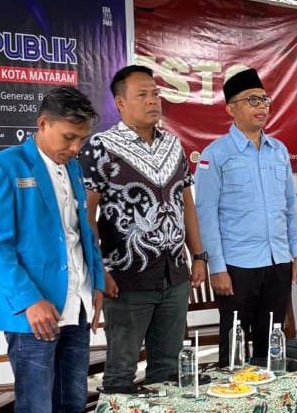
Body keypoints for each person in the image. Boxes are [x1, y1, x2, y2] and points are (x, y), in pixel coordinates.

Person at [0, 86, 105, 413]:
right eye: (69, 137)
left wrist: (97, 283)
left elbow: (82, 232)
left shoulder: (73, 169)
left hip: (76, 304)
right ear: (43, 124)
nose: (75, 147)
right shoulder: (4, 166)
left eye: (82, 139)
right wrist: (29, 300)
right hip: (34, 313)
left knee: (70, 404)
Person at [79, 65, 206, 392]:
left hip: (174, 275)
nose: (152, 101)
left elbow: (187, 204)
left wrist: (199, 256)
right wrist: (100, 270)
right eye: (142, 95)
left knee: (169, 370)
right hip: (125, 278)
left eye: (155, 94)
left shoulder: (173, 144)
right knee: (121, 373)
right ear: (120, 103)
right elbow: (86, 214)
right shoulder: (101, 147)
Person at [195, 67, 297, 368]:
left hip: (278, 261)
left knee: (271, 348)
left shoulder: (278, 151)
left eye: (264, 100)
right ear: (231, 108)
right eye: (252, 100)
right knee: (233, 353)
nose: (261, 106)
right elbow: (206, 214)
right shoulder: (215, 154)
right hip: (237, 266)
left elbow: (290, 205)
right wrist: (217, 267)